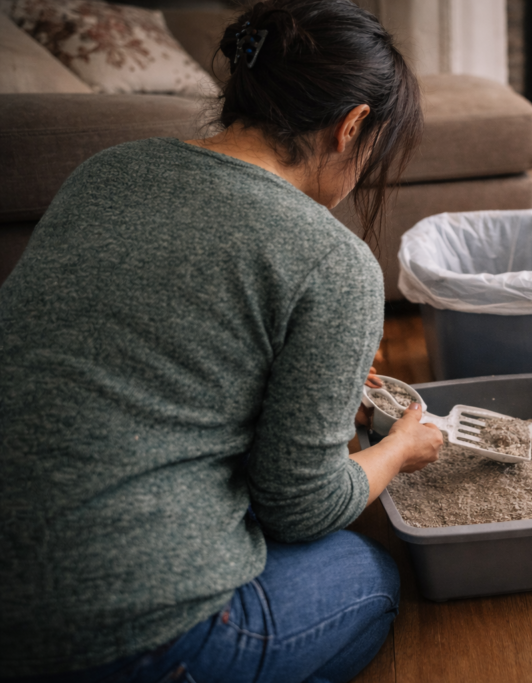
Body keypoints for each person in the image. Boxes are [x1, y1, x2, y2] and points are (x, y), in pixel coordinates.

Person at [0, 1, 442, 681]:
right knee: (373, 575)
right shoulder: (333, 261)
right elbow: (304, 507)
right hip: (126, 633)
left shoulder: (104, 172)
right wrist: (399, 447)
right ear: (352, 125)